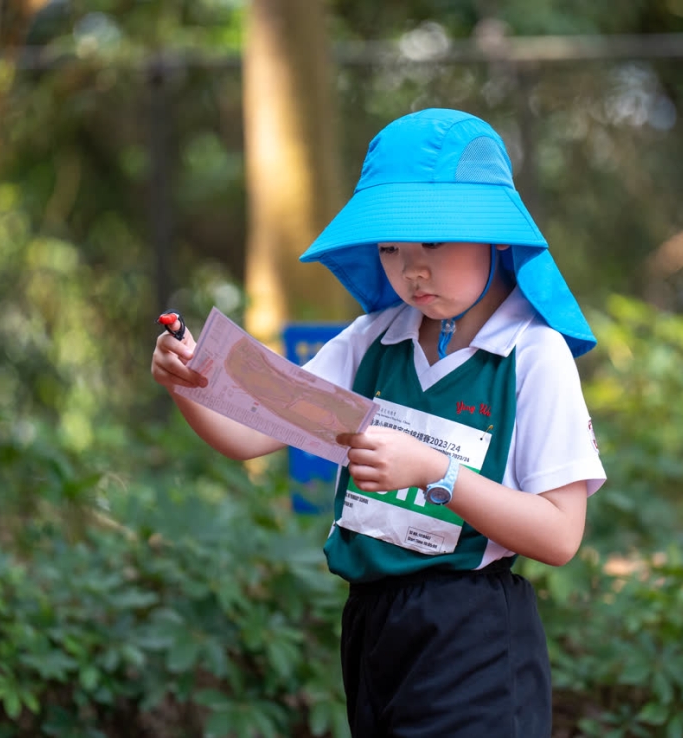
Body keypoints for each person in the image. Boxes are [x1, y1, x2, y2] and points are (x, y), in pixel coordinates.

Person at [151, 108, 606, 737]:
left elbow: (560, 535)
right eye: (390, 247)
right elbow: (249, 434)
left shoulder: (533, 354)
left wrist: (437, 473)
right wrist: (189, 382)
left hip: (473, 637)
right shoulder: (372, 339)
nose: (411, 269)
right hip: (371, 631)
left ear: (495, 234)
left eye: (433, 242)